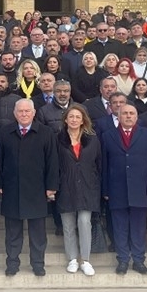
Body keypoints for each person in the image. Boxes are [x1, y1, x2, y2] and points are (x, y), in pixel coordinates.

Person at [0, 99, 59, 276]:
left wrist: (51, 186)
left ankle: (38, 263)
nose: (24, 114)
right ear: (15, 113)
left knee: (38, 233)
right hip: (11, 189)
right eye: (20, 111)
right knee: (12, 232)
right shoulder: (5, 132)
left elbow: (53, 161)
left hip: (37, 190)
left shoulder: (46, 132)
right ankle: (12, 263)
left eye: (27, 111)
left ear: (33, 113)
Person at [102, 104, 147, 275]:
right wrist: (105, 190)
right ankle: (122, 260)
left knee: (138, 227)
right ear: (118, 116)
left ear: (137, 117)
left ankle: (138, 260)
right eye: (125, 113)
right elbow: (104, 165)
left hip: (140, 189)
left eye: (131, 113)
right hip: (116, 189)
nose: (128, 116)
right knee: (119, 227)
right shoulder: (107, 136)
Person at [57, 104, 101, 276]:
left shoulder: (93, 139)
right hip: (65, 186)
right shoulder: (57, 139)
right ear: (66, 120)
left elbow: (99, 164)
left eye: (78, 117)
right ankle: (72, 259)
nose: (74, 119)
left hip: (88, 186)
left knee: (84, 222)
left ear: (83, 120)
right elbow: (54, 164)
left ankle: (86, 260)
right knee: (68, 225)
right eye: (71, 116)